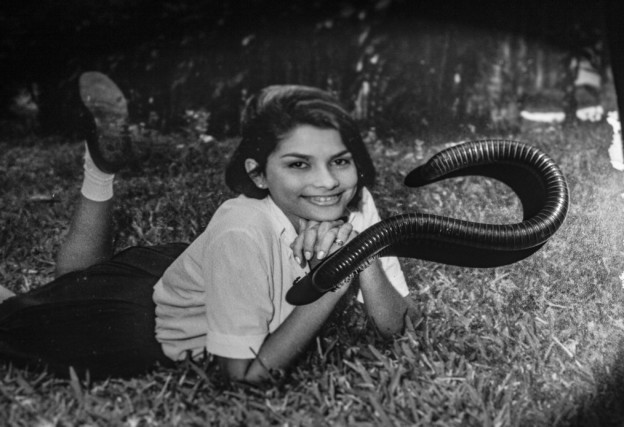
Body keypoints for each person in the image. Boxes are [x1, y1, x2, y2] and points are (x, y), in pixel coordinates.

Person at [0, 72, 413, 383]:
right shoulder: (242, 231)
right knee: (23, 310)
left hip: (180, 273)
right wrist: (331, 280)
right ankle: (99, 167)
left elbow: (397, 326)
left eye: (340, 161)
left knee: (71, 284)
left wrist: (361, 254)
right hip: (139, 327)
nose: (327, 182)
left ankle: (100, 167)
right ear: (258, 174)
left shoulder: (353, 200)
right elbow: (243, 375)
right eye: (298, 163)